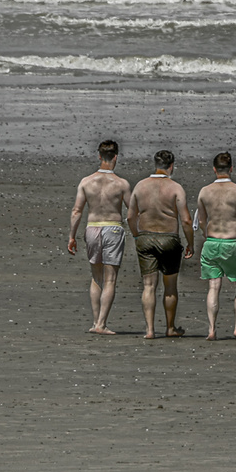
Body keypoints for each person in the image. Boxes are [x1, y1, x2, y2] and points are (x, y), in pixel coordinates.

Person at [66, 139, 132, 335]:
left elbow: (77, 210)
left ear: (99, 156)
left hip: (92, 228)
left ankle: (96, 322)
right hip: (112, 228)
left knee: (96, 278)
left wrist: (72, 236)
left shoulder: (86, 182)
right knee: (110, 280)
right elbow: (132, 211)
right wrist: (135, 230)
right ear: (116, 157)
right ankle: (102, 324)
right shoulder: (121, 183)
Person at [193, 151, 236, 340]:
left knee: (213, 287)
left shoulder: (204, 191)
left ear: (214, 169)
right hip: (233, 242)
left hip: (212, 242)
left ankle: (212, 329)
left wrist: (208, 237)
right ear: (231, 169)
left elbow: (202, 220)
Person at [128, 149, 195, 339]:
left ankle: (149, 330)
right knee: (170, 286)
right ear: (171, 166)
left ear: (155, 165)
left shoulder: (140, 187)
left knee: (148, 285)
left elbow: (130, 216)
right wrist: (190, 243)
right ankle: (170, 327)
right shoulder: (175, 188)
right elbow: (186, 220)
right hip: (168, 238)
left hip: (145, 237)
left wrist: (136, 235)